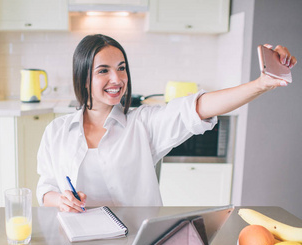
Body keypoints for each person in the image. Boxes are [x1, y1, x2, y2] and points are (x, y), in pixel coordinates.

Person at [36, 34, 297, 213]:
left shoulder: (143, 123)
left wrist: (261, 83)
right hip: (78, 238)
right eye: (103, 70)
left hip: (136, 239)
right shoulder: (56, 132)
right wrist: (61, 200)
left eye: (122, 67)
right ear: (83, 79)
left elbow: (197, 107)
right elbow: (46, 186)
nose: (117, 79)